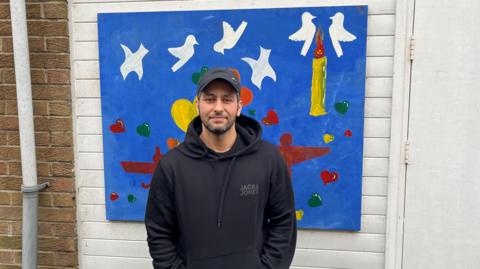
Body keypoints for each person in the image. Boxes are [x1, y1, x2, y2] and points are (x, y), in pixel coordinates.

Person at [145, 67, 297, 269]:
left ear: (239, 106)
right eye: (210, 99)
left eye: (226, 99)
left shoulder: (268, 159)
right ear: (197, 105)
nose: (218, 107)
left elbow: (284, 223)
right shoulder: (171, 166)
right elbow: (159, 232)